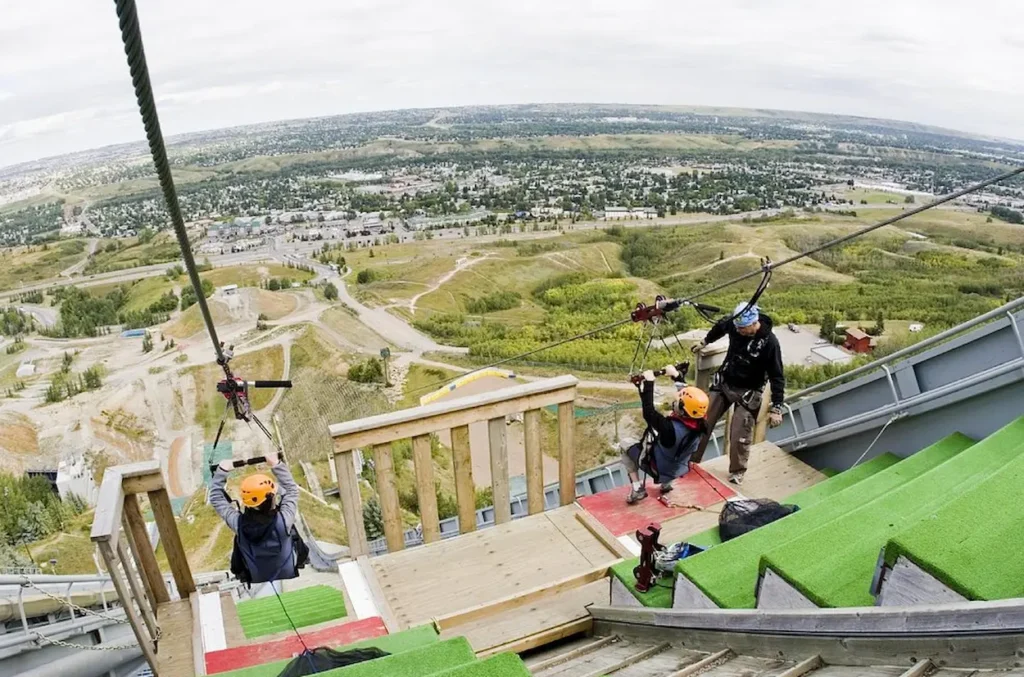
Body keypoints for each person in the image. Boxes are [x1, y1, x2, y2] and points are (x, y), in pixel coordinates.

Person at [691, 302, 785, 484]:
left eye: (742, 328)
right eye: (737, 328)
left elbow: (777, 376)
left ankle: (737, 471)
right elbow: (721, 326)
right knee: (702, 422)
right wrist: (705, 341)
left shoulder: (769, 343)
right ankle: (691, 461)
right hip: (726, 380)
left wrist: (777, 407)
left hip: (749, 391)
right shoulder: (735, 326)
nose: (739, 331)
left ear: (753, 324)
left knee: (739, 433)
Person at [211, 453, 300, 598]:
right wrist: (277, 465)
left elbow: (216, 498)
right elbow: (291, 490)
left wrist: (221, 471)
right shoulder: (284, 519)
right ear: (271, 497)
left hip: (256, 574)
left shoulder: (238, 524)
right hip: (287, 569)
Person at [621, 365, 710, 505]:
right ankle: (666, 484)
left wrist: (649, 383)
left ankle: (637, 489)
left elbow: (649, 412)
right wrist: (676, 376)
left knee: (625, 444)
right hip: (678, 469)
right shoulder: (700, 424)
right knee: (672, 454)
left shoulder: (670, 429)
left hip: (657, 468)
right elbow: (689, 401)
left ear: (681, 409)